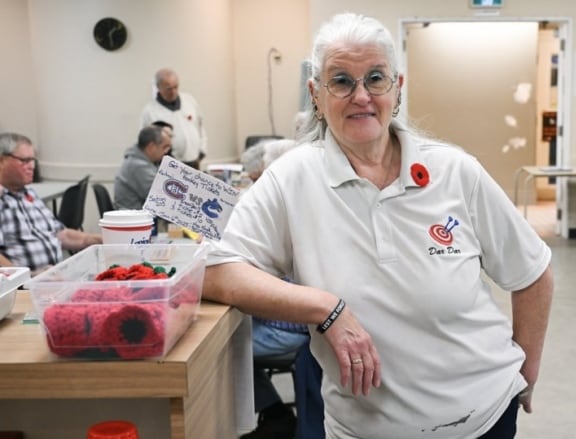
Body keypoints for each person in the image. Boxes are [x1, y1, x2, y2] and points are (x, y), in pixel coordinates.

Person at [205, 12, 553, 438]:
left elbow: (532, 271)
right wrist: (326, 309)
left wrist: (526, 368)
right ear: (316, 93)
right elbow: (218, 270)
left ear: (397, 88)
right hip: (363, 429)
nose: (361, 95)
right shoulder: (292, 179)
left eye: (375, 78)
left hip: (485, 418)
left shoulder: (455, 171)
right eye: (341, 81)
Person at [239, 137, 313, 439]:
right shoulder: (300, 203)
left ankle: (274, 413)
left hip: (293, 325)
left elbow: (268, 283)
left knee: (220, 351)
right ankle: (274, 411)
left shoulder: (294, 211)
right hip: (291, 318)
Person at [0, 132, 101, 275]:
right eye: (25, 160)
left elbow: (61, 235)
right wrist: (27, 277)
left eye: (33, 160)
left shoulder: (29, 195)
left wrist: (97, 239)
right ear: (2, 161)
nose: (32, 166)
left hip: (52, 278)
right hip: (23, 287)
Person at [140, 68, 207, 169]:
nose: (173, 91)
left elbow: (200, 127)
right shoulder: (149, 111)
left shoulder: (189, 100)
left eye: (176, 87)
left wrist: (202, 151)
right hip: (170, 166)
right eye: (168, 88)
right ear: (158, 87)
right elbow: (146, 144)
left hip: (195, 162)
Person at [113, 125, 172, 210]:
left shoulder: (137, 161)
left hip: (136, 216)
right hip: (135, 218)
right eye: (164, 147)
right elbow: (162, 197)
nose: (166, 151)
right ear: (151, 147)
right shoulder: (138, 167)